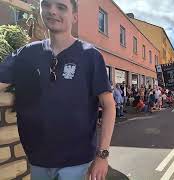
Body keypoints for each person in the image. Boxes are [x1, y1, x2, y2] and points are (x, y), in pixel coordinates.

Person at [0, 0, 116, 180]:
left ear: (75, 17)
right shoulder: (26, 54)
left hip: (78, 161)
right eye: (46, 5)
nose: (52, 11)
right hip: (37, 159)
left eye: (61, 7)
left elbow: (108, 106)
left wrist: (102, 155)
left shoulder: (91, 56)